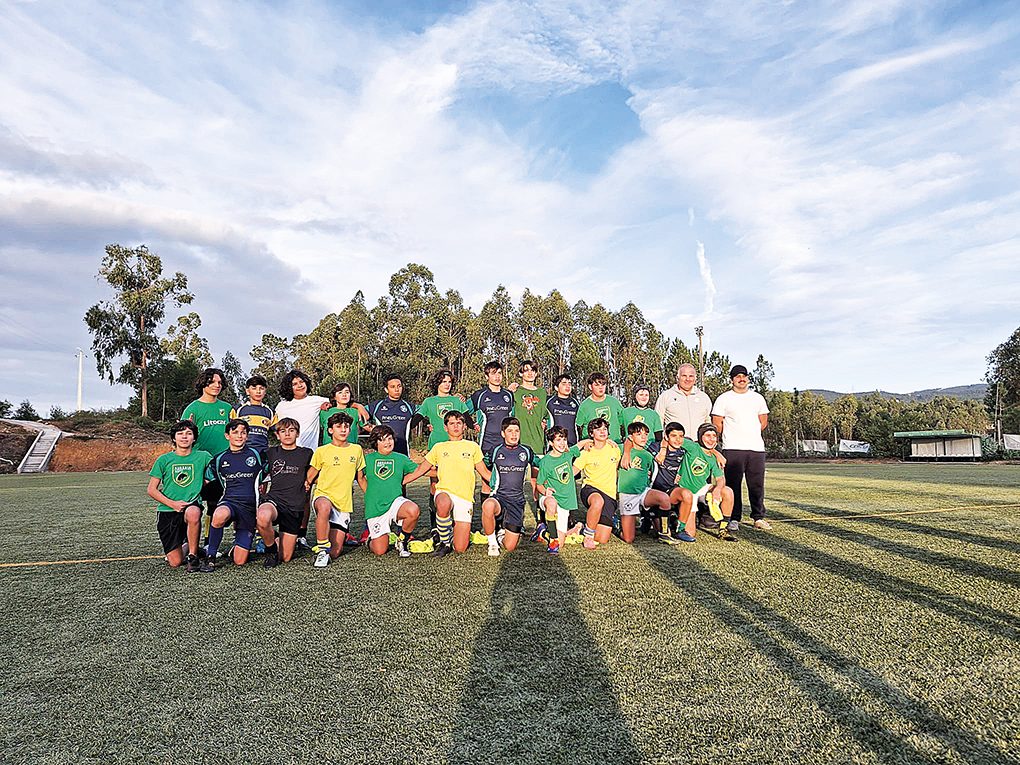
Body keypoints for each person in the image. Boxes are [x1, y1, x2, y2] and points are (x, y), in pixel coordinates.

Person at [403, 411, 492, 558]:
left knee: (460, 548)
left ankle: (451, 532)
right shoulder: (439, 447)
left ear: (464, 426)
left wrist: (504, 481)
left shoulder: (473, 447)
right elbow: (420, 470)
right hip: (444, 492)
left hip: (464, 497)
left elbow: (485, 472)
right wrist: (402, 481)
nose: (455, 426)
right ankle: (444, 543)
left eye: (459, 423)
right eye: (451, 423)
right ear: (445, 427)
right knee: (443, 503)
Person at [145, 420, 211, 572]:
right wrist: (172, 504)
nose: (184, 437)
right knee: (175, 562)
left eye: (189, 433)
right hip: (168, 510)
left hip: (190, 506)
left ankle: (193, 557)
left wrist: (206, 481)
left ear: (194, 438)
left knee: (194, 512)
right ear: (174, 438)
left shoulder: (203, 456)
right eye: (180, 434)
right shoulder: (164, 460)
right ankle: (192, 546)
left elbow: (219, 469)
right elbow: (151, 490)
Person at [712, 364, 770, 532]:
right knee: (733, 485)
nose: (741, 379)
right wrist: (732, 435)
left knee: (756, 485)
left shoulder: (757, 398)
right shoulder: (724, 398)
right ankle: (733, 518)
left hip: (756, 449)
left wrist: (749, 433)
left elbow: (763, 422)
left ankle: (758, 517)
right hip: (732, 448)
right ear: (732, 380)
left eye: (744, 376)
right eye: (737, 376)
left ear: (748, 378)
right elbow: (717, 423)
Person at [204, 419, 267, 568]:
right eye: (235, 432)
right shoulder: (219, 459)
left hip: (249, 507)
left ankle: (236, 547)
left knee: (240, 561)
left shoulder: (257, 455)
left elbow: (267, 475)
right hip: (230, 501)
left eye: (243, 433)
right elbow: (208, 480)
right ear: (227, 436)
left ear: (247, 436)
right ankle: (210, 556)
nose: (239, 436)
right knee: (219, 515)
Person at [306, 412, 366, 568]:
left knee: (335, 552)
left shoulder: (357, 450)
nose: (343, 429)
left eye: (346, 426)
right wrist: (307, 485)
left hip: (343, 504)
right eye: (339, 426)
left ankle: (328, 546)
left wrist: (372, 496)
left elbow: (360, 478)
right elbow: (310, 476)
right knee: (324, 507)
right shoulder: (321, 451)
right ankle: (321, 549)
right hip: (323, 495)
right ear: (330, 430)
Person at [255, 418, 313, 567]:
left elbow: (314, 474)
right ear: (277, 435)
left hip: (294, 506)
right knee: (262, 516)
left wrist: (308, 482)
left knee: (285, 557)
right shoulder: (270, 453)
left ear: (297, 434)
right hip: (275, 500)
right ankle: (271, 551)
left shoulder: (306, 453)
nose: (287, 434)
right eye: (283, 431)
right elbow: (259, 473)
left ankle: (274, 537)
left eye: (291, 430)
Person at [182, 367, 231, 541]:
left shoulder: (227, 408)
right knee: (192, 504)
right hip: (199, 463)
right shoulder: (193, 409)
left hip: (222, 464)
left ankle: (209, 541)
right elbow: (183, 436)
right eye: (212, 382)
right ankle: (187, 541)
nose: (217, 385)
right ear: (204, 383)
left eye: (220, 382)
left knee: (214, 503)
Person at [417, 369, 469, 534]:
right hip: (436, 447)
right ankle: (435, 526)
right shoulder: (429, 401)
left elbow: (467, 418)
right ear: (437, 383)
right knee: (435, 484)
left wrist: (475, 426)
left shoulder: (456, 400)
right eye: (443, 381)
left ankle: (455, 521)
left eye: (449, 382)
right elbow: (416, 418)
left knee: (456, 482)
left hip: (456, 447)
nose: (447, 385)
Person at [480, 417, 540, 557]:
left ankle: (502, 534)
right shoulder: (495, 451)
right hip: (499, 497)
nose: (514, 434)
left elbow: (542, 463)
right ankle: (492, 543)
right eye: (510, 431)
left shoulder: (526, 451)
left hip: (517, 501)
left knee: (510, 546)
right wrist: (491, 481)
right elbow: (482, 465)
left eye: (517, 431)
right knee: (488, 505)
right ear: (503, 433)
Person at [357, 425, 420, 557]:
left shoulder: (401, 458)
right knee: (380, 551)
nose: (388, 442)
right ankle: (370, 540)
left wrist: (442, 472)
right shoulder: (367, 459)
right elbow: (360, 478)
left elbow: (419, 470)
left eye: (390, 438)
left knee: (413, 510)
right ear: (375, 442)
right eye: (382, 439)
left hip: (395, 502)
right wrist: (370, 493)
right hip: (376, 507)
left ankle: (402, 540)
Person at [678, 423, 737, 542]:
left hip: (701, 488)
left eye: (714, 436)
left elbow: (720, 479)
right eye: (707, 435)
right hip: (686, 491)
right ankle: (675, 520)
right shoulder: (693, 447)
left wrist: (717, 490)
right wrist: (662, 450)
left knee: (727, 491)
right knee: (690, 533)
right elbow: (674, 438)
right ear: (700, 437)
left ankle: (723, 529)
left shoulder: (713, 457)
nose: (711, 439)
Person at [616, 421, 673, 544]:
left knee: (664, 498)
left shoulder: (648, 455)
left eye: (646, 434)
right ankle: (617, 526)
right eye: (639, 434)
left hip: (643, 491)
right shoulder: (621, 449)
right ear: (631, 437)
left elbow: (652, 472)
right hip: (628, 494)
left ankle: (664, 532)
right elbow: (609, 444)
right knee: (629, 539)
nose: (643, 437)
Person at [466, 361, 514, 504]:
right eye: (493, 373)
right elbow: (463, 411)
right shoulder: (479, 395)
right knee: (486, 482)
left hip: (504, 445)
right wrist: (472, 424)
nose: (497, 376)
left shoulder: (508, 395)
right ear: (487, 376)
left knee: (505, 480)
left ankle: (502, 514)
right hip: (486, 444)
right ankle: (486, 514)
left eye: (499, 373)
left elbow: (513, 418)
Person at [573, 417, 622, 549]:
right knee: (597, 501)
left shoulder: (615, 449)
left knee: (602, 539)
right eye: (598, 429)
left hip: (609, 495)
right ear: (591, 433)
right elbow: (572, 471)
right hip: (591, 489)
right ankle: (588, 535)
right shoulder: (586, 452)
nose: (602, 432)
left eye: (604, 429)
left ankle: (581, 528)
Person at [654, 362, 713, 440]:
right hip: (674, 444)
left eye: (691, 376)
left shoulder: (704, 397)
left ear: (695, 379)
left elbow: (708, 421)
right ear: (677, 378)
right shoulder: (666, 396)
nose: (687, 379)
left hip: (698, 444)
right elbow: (658, 422)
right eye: (684, 376)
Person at [275, 369, 331, 450]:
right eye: (295, 384)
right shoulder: (281, 406)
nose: (300, 385)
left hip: (310, 453)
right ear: (289, 388)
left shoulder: (317, 401)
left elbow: (340, 402)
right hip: (286, 452)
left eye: (301, 382)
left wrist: (328, 404)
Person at [367, 374, 416, 457]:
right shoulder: (376, 406)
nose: (397, 389)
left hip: (403, 455)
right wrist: (370, 428)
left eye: (399, 386)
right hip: (382, 455)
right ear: (386, 389)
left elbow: (427, 410)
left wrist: (432, 424)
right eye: (392, 387)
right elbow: (358, 414)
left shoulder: (410, 407)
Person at [230, 375, 277, 454]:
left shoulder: (270, 412)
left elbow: (279, 433)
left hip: (263, 453)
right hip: (242, 452)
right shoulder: (238, 410)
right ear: (247, 391)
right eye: (254, 388)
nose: (258, 391)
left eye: (261, 388)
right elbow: (230, 432)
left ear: (265, 391)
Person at [576, 372, 624, 443]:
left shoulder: (614, 402)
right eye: (597, 385)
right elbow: (578, 426)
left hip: (615, 444)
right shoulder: (584, 406)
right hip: (593, 446)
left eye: (603, 384)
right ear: (590, 387)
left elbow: (623, 421)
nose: (601, 387)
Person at [318, 382, 370, 446]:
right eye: (340, 392)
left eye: (347, 392)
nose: (344, 395)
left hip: (350, 449)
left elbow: (366, 423)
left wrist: (359, 406)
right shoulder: (325, 412)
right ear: (334, 397)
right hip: (329, 449)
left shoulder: (355, 412)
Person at [621, 383, 663, 451]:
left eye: (646, 395)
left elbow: (658, 436)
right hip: (631, 449)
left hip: (649, 449)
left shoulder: (654, 414)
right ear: (635, 396)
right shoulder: (625, 412)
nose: (644, 397)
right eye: (641, 395)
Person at [546, 374, 580, 446]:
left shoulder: (575, 403)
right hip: (554, 445)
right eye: (564, 384)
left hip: (572, 444)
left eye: (569, 384)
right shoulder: (549, 402)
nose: (568, 386)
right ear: (556, 388)